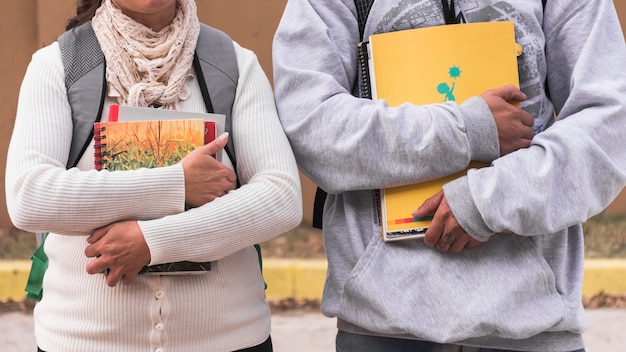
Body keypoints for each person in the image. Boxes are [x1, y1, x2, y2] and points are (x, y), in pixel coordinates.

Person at [272, 0, 626, 351]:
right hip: (383, 326)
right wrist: (467, 130)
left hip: (533, 323)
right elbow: (310, 124)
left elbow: (611, 125)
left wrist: (488, 200)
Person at [5, 0, 302, 351]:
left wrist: (152, 241)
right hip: (83, 340)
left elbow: (281, 198)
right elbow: (30, 196)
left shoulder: (235, 65)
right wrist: (177, 184)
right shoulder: (58, 65)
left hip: (228, 339)